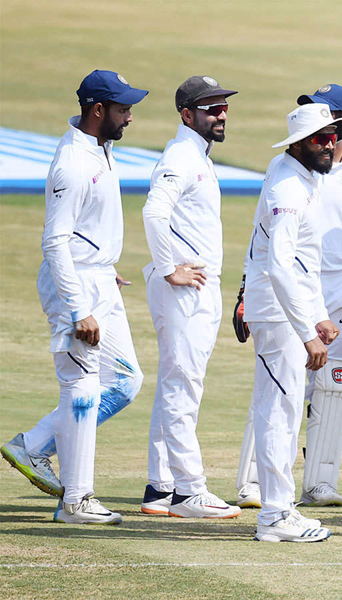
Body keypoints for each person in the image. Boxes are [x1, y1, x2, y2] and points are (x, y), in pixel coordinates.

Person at [0, 70, 147, 524]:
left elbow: (86, 226)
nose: (129, 117)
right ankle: (76, 501)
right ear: (97, 110)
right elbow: (55, 241)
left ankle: (33, 445)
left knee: (125, 383)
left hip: (98, 278)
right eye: (123, 109)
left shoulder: (100, 148)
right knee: (81, 387)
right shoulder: (72, 163)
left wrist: (104, 265)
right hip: (75, 289)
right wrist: (79, 306)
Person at [234, 84, 342, 509]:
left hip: (338, 286)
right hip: (288, 286)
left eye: (326, 119)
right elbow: (263, 236)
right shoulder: (286, 170)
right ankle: (256, 484)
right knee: (281, 384)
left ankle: (320, 482)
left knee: (332, 382)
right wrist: (246, 287)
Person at [244, 102, 342, 542]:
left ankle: (280, 509)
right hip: (277, 313)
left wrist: (318, 314)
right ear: (297, 144)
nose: (330, 145)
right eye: (320, 139)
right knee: (279, 411)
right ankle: (274, 515)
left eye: (333, 137)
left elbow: (304, 260)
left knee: (283, 409)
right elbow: (280, 267)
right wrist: (307, 331)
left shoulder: (300, 174)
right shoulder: (288, 189)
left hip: (285, 310)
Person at [140, 76, 241, 519]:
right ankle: (188, 491)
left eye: (223, 106)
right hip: (186, 286)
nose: (221, 114)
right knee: (183, 385)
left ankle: (161, 486)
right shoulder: (182, 156)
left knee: (174, 382)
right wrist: (169, 268)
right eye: (210, 108)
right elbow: (154, 211)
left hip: (195, 285)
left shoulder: (195, 154)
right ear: (186, 114)